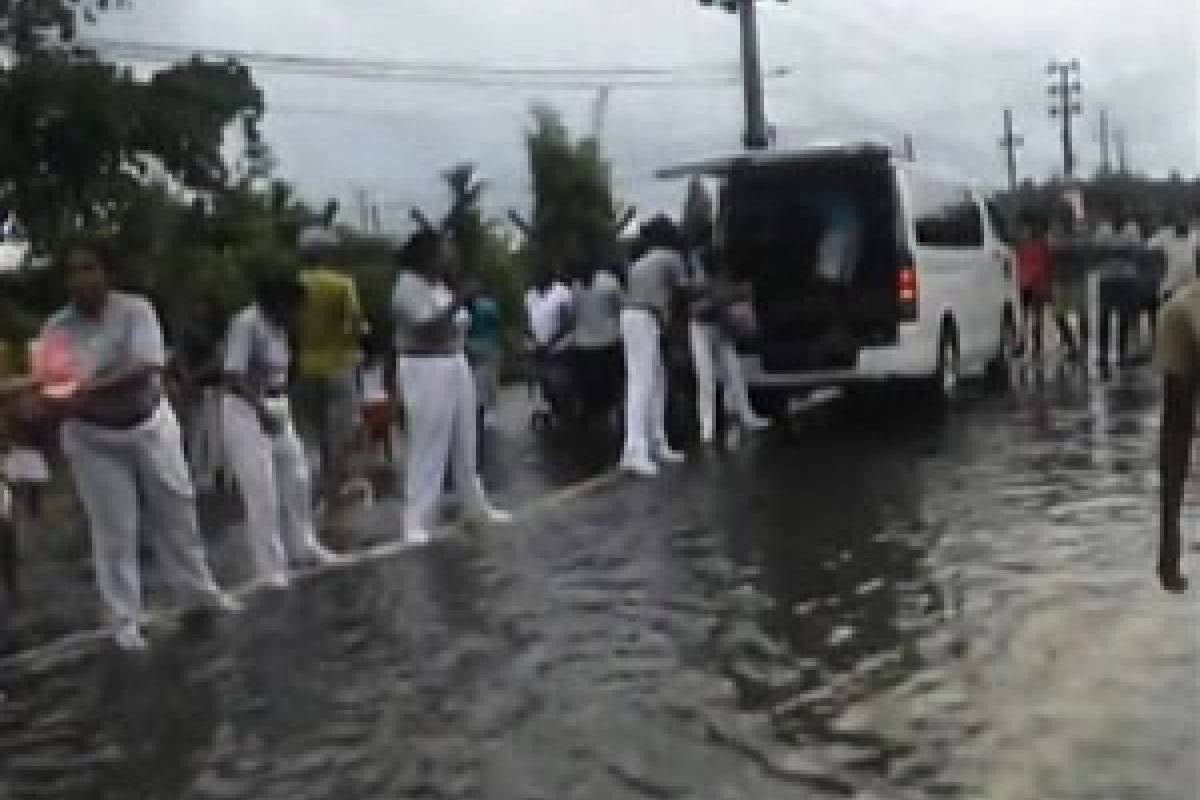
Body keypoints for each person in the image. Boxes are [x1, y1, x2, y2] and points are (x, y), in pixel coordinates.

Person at [36, 248, 240, 650]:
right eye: (73, 272)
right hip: (94, 437)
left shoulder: (136, 310)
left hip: (148, 422)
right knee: (115, 530)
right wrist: (62, 396)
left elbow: (145, 367)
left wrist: (86, 387)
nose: (82, 279)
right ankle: (124, 619)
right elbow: (53, 388)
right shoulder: (55, 329)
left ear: (106, 273)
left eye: (89, 268)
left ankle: (198, 593)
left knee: (177, 511)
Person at [392, 231, 511, 544]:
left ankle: (476, 505)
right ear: (428, 255)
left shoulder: (439, 285)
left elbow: (456, 323)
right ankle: (416, 520)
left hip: (454, 362)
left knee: (465, 440)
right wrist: (461, 299)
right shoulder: (407, 286)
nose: (451, 256)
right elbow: (426, 326)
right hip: (424, 365)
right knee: (429, 443)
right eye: (445, 250)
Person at [222, 272, 338, 590]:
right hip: (246, 409)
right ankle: (269, 565)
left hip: (278, 404)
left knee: (297, 479)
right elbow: (233, 374)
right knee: (262, 491)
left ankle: (303, 545)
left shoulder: (281, 329)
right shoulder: (247, 323)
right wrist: (260, 409)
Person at [294, 251, 368, 518]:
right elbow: (357, 324)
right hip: (339, 364)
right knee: (340, 435)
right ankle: (332, 495)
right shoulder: (342, 283)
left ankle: (313, 493)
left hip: (304, 365)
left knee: (312, 435)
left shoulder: (295, 284)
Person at [619, 215, 691, 477]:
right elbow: (684, 293)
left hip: (633, 316)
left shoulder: (642, 260)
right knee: (643, 383)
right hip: (644, 317)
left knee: (656, 381)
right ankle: (634, 451)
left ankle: (657, 442)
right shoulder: (672, 257)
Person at [685, 226, 770, 444]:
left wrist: (730, 299)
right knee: (706, 378)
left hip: (721, 329)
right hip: (701, 330)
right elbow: (696, 310)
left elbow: (736, 298)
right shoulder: (698, 281)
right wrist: (721, 299)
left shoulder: (723, 279)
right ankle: (707, 428)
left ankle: (746, 417)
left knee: (735, 373)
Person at [1154, 279, 1200, 593]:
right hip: (1185, 317)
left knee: (1176, 427)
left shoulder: (1178, 306)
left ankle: (1168, 550)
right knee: (1177, 425)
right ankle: (1167, 552)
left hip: (1178, 314)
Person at [570, 261, 625, 424]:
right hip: (594, 341)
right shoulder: (577, 286)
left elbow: (620, 307)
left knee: (605, 378)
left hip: (603, 341)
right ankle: (598, 406)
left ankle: (603, 407)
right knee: (600, 379)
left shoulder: (607, 282)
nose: (581, 280)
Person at [464, 281, 503, 430]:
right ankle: (486, 411)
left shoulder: (479, 306)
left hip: (479, 348)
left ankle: (485, 409)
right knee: (484, 381)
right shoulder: (486, 306)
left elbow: (496, 323)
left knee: (483, 380)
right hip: (481, 349)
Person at [1015, 214, 1053, 358]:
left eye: (1026, 228)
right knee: (1025, 316)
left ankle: (1036, 345)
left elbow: (1046, 265)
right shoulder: (1022, 244)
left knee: (1035, 316)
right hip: (1026, 284)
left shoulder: (1041, 244)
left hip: (1036, 284)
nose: (1025, 231)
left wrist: (1047, 284)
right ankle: (1025, 344)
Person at [1150, 219, 1200, 301]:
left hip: (1189, 283)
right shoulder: (1165, 234)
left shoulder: (1195, 234)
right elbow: (1148, 246)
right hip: (1171, 284)